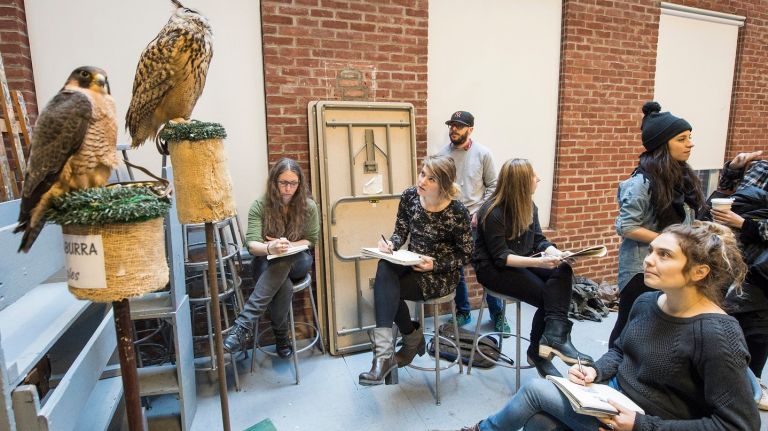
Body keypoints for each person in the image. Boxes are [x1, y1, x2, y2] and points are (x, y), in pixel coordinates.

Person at [461, 222, 760, 431]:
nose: (648, 261)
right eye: (652, 251)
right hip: (612, 398)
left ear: (699, 271)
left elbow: (739, 425)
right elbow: (620, 350)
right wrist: (597, 371)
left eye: (664, 255)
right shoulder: (647, 301)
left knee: (536, 391)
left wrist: (642, 426)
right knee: (539, 422)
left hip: (647, 420)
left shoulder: (717, 334)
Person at [472, 158, 591, 379]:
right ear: (521, 183)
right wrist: (540, 262)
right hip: (493, 271)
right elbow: (502, 258)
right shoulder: (492, 212)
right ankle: (539, 352)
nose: (538, 179)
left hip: (523, 259)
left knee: (563, 269)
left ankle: (553, 337)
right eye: (533, 176)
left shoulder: (529, 206)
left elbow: (539, 240)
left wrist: (556, 253)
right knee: (548, 295)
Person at [358, 155, 471, 385]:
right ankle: (387, 353)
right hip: (412, 263)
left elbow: (467, 254)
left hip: (440, 275)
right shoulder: (410, 196)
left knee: (388, 287)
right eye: (422, 174)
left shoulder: (457, 211)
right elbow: (400, 230)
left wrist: (435, 263)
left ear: (443, 184)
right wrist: (391, 244)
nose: (422, 181)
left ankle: (402, 345)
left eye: (431, 179)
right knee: (384, 267)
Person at [608, 101, 705, 347]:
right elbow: (627, 227)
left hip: (673, 266)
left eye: (690, 137)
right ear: (663, 144)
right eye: (682, 139)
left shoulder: (681, 177)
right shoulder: (640, 182)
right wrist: (673, 242)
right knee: (628, 331)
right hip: (641, 270)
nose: (690, 144)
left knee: (658, 333)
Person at [223, 158, 319, 359]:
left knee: (284, 260)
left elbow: (311, 240)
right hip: (266, 261)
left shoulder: (308, 206)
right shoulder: (260, 206)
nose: (288, 188)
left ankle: (242, 326)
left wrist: (288, 246)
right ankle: (282, 338)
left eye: (293, 183)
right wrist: (270, 247)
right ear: (274, 182)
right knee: (282, 283)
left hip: (298, 260)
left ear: (299, 184)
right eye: (283, 182)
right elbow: (251, 245)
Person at [436, 110, 509, 334]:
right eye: (451, 125)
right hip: (452, 221)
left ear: (470, 129)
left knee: (485, 269)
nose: (454, 129)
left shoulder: (483, 153)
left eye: (459, 126)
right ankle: (463, 312)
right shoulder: (442, 155)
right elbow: (440, 186)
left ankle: (498, 316)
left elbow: (493, 186)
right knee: (455, 269)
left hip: (476, 221)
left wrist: (481, 211)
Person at [711, 150, 768, 410]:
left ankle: (747, 398)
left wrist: (743, 222)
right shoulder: (760, 169)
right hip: (732, 267)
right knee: (724, 339)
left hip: (761, 277)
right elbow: (724, 199)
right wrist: (734, 168)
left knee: (755, 337)